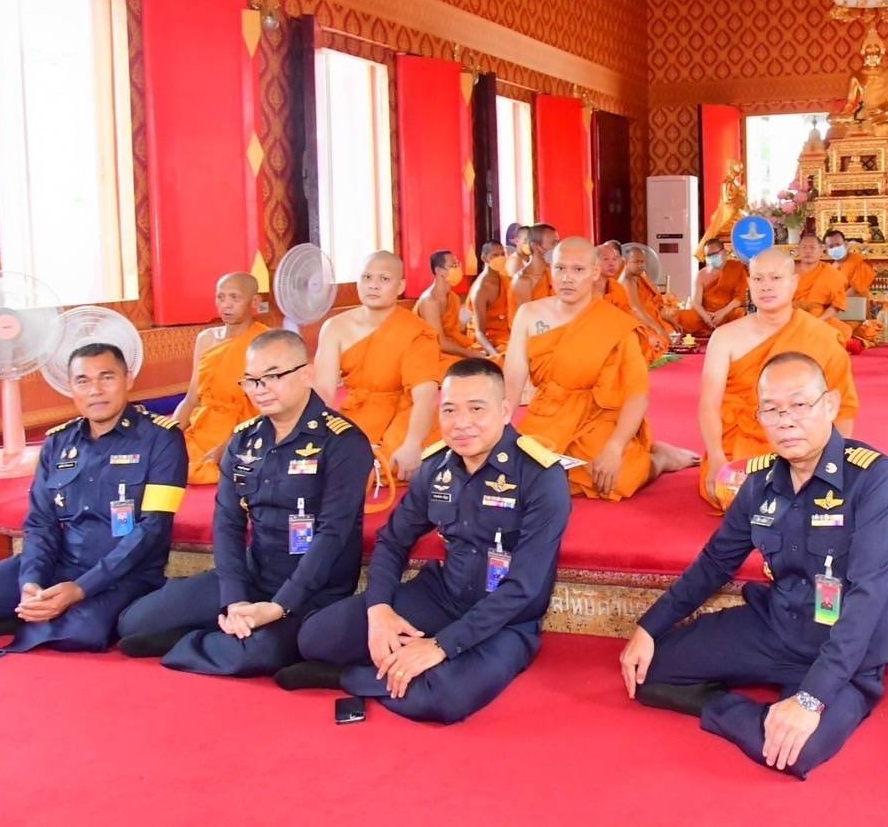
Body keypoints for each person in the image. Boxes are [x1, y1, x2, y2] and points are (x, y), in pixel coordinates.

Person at [619, 353, 888, 778]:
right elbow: (716, 563)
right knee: (648, 675)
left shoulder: (874, 479)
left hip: (844, 650)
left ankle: (769, 712)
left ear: (829, 405)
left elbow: (868, 596)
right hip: (773, 630)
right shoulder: (760, 482)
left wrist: (811, 699)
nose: (785, 420)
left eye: (799, 405)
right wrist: (649, 626)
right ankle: (751, 710)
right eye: (772, 409)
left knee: (797, 754)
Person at [279, 358, 571, 722]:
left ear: (505, 410)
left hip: (506, 619)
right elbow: (392, 541)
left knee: (443, 698)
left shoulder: (542, 477)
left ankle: (345, 677)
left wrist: (440, 646)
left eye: (476, 409)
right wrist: (380, 609)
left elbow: (523, 588)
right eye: (449, 410)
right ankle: (394, 671)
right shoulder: (436, 468)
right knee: (316, 638)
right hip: (440, 597)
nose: (461, 423)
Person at [118, 329, 371, 677]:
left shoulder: (343, 441)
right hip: (255, 573)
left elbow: (333, 534)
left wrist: (279, 606)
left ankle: (201, 641)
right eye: (251, 381)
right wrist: (234, 597)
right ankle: (225, 627)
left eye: (272, 376)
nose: (260, 389)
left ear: (307, 373)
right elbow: (227, 523)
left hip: (313, 587)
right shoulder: (243, 439)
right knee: (136, 623)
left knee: (252, 654)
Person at [0, 343, 186, 651]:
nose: (95, 390)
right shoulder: (58, 443)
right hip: (61, 564)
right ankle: (35, 610)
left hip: (124, 573)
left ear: (127, 380)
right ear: (70, 387)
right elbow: (40, 523)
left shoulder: (162, 439)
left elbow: (152, 529)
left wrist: (80, 589)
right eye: (83, 381)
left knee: (83, 632)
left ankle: (28, 618)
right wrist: (30, 582)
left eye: (107, 377)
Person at [506, 237, 696, 500]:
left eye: (578, 270)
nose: (567, 278)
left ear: (595, 273)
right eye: (560, 268)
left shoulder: (615, 324)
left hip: (599, 418)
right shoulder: (529, 314)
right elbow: (513, 376)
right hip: (548, 415)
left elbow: (637, 394)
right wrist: (501, 428)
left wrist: (615, 447)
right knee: (515, 476)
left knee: (618, 479)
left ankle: (659, 460)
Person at [697, 248, 858, 508]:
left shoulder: (820, 336)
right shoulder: (725, 337)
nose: (766, 287)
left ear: (793, 283)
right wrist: (716, 458)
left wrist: (830, 462)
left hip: (803, 440)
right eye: (758, 279)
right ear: (748, 283)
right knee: (737, 495)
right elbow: (709, 403)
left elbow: (843, 408)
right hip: (741, 442)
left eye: (776, 278)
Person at [313, 250, 442, 508]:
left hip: (407, 413)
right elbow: (324, 391)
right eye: (366, 277)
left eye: (384, 279)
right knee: (333, 464)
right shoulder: (335, 327)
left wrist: (413, 443)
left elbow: (425, 396)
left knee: (399, 461)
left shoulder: (416, 331)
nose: (373, 284)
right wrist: (314, 437)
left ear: (400, 286)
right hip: (360, 412)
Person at [172, 273, 269, 486]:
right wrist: (167, 436)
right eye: (221, 297)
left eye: (235, 298)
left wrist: (228, 445)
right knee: (171, 463)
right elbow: (191, 398)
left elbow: (269, 409)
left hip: (245, 430)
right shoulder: (206, 339)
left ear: (254, 302)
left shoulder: (265, 342)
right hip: (204, 426)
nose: (226, 305)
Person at [418, 250, 489, 364]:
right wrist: (469, 354)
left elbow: (453, 330)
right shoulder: (429, 301)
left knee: (495, 357)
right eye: (453, 265)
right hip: (432, 353)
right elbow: (440, 343)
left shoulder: (453, 297)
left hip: (453, 348)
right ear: (439, 271)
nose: (458, 269)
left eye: (458, 264)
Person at [675, 238, 749, 336]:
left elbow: (740, 298)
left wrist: (722, 313)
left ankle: (721, 331)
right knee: (682, 317)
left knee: (741, 313)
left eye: (714, 254)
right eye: (708, 255)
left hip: (728, 313)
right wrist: (706, 317)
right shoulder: (701, 274)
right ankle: (712, 329)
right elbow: (696, 303)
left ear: (724, 252)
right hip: (707, 316)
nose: (711, 257)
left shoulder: (737, 267)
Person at [619, 245, 680, 358]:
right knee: (659, 340)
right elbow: (636, 310)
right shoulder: (627, 281)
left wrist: (670, 321)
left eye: (642, 262)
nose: (641, 265)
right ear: (625, 262)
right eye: (636, 262)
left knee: (672, 332)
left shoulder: (638, 278)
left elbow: (653, 304)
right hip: (635, 323)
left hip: (649, 317)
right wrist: (658, 329)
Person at [792, 232, 853, 345]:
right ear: (798, 250)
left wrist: (818, 321)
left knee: (844, 331)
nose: (808, 251)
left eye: (812, 247)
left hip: (819, 318)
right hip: (792, 317)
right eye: (804, 247)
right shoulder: (788, 272)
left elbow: (836, 305)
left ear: (822, 250)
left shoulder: (831, 274)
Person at [468, 240, 511, 358]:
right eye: (495, 255)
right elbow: (479, 332)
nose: (501, 258)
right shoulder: (480, 290)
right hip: (490, 341)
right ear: (484, 258)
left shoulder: (506, 279)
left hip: (507, 335)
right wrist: (495, 355)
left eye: (502, 254)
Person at [512, 223, 560, 305]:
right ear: (536, 247)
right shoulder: (523, 281)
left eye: (558, 242)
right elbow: (527, 316)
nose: (558, 247)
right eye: (553, 243)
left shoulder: (555, 272)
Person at [825, 229, 876, 298]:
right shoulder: (831, 267)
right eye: (831, 246)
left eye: (838, 245)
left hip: (855, 305)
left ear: (845, 244)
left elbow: (856, 288)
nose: (835, 248)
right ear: (827, 249)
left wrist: (836, 302)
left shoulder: (859, 260)